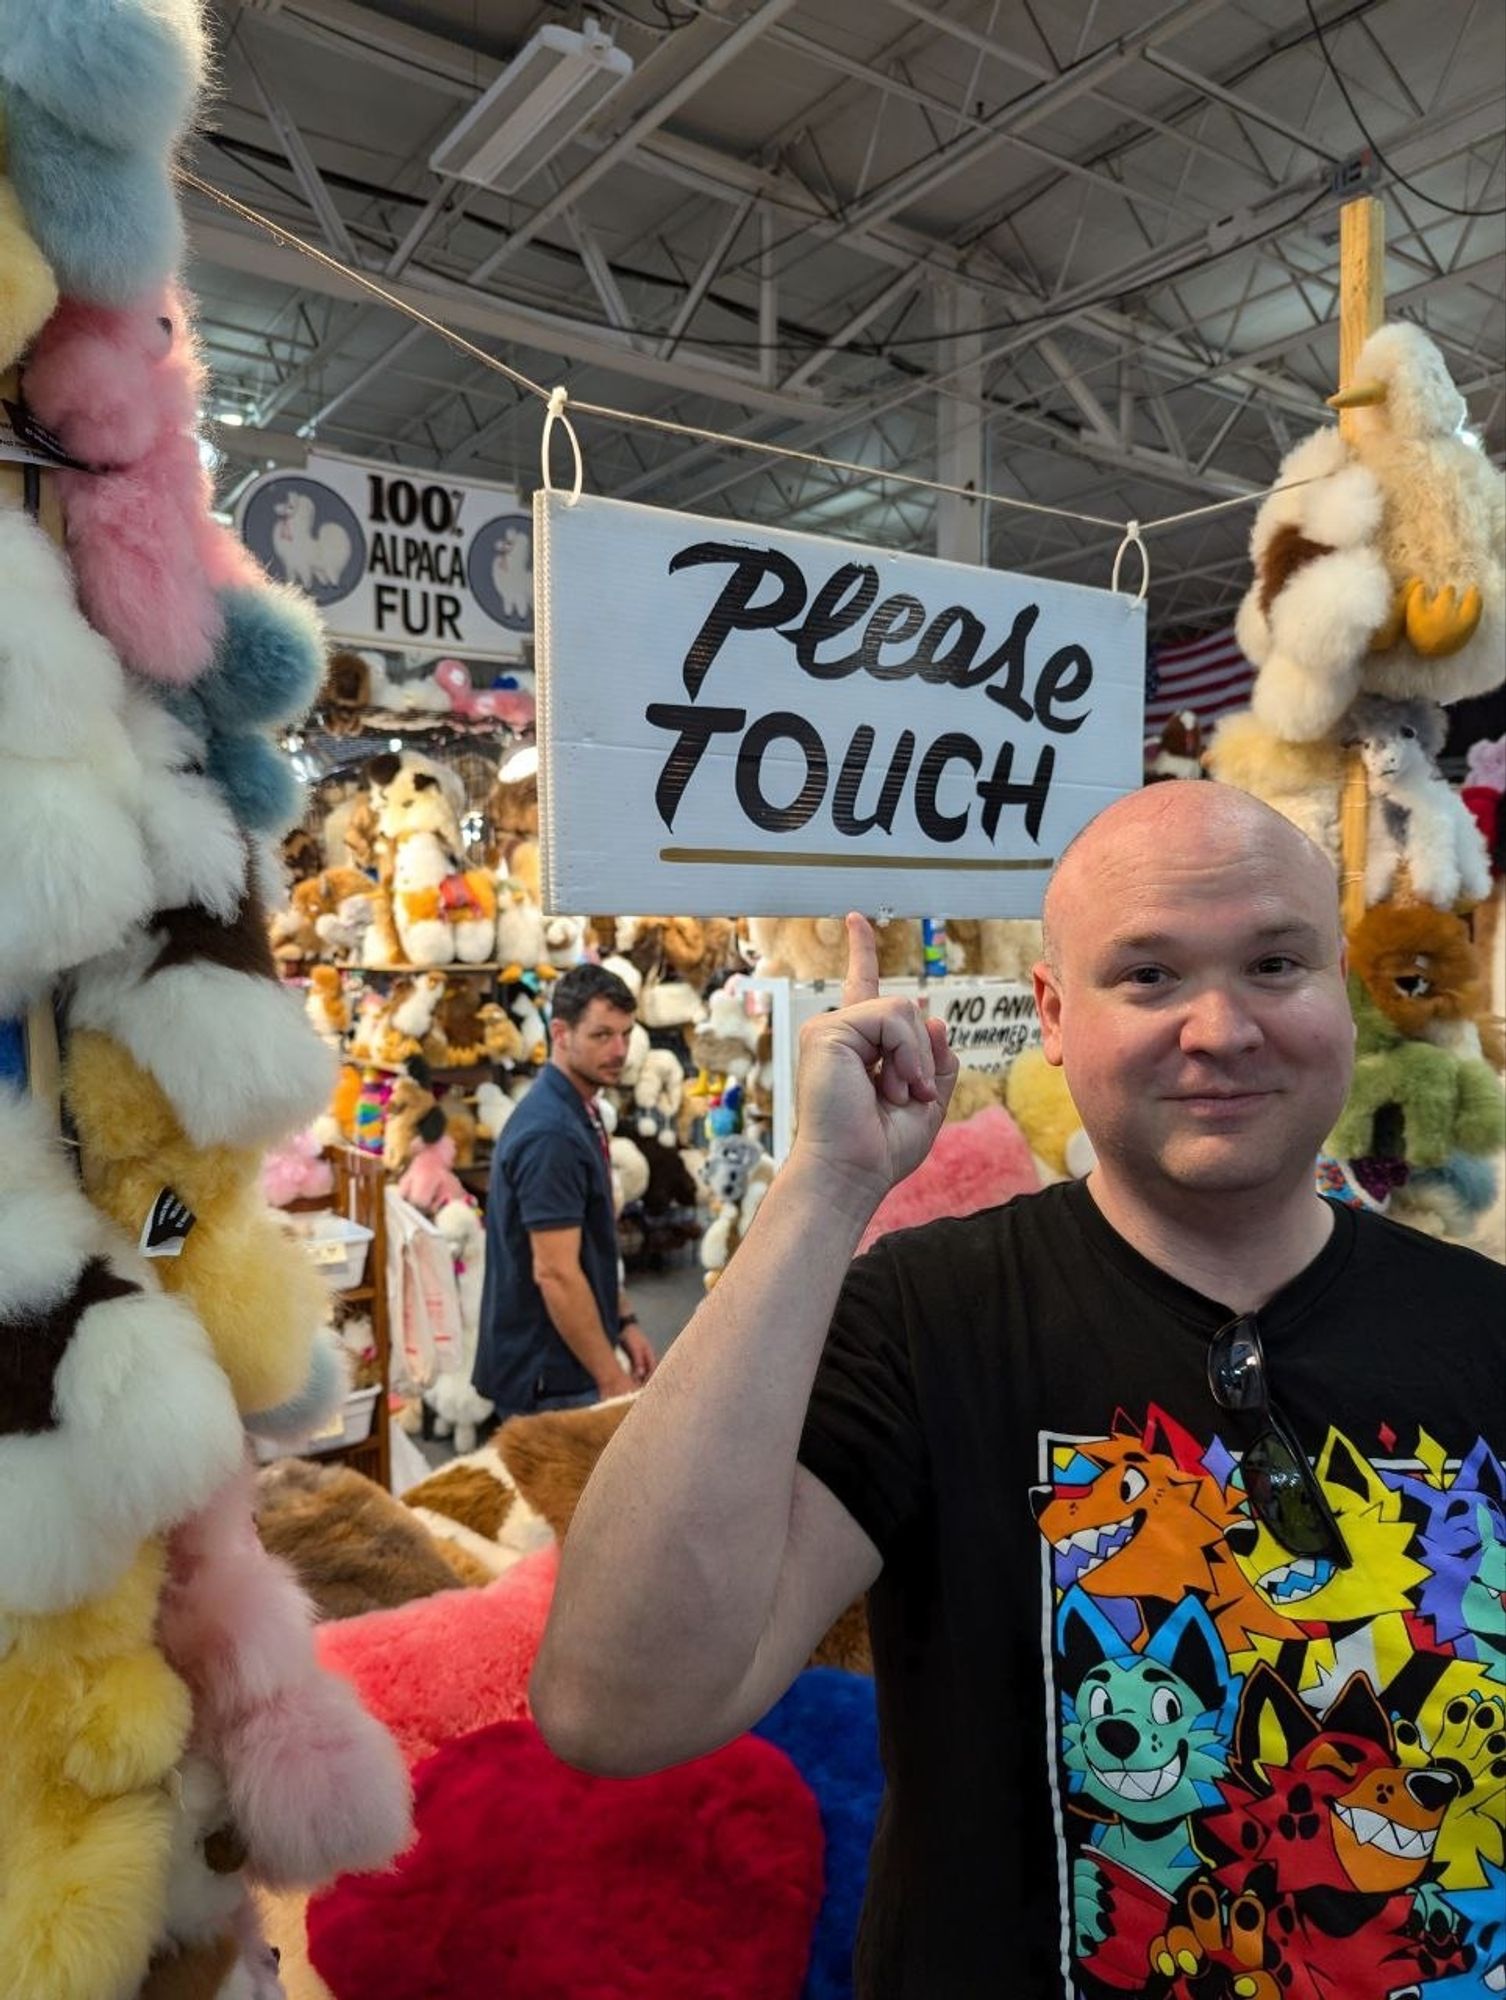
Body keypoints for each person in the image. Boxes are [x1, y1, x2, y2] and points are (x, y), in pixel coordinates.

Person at [532, 784, 1505, 1999]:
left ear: (1340, 991)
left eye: (1274, 961)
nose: (1220, 1025)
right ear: (1052, 1013)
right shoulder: (925, 1318)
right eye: (1147, 975)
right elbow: (615, 1702)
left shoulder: (1481, 1325)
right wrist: (825, 1188)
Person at [472, 962, 656, 1423]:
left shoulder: (579, 1109)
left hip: (562, 1363)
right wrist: (611, 1380)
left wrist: (625, 1321)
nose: (619, 1050)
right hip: (548, 1376)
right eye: (601, 1035)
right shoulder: (551, 1135)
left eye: (626, 1034)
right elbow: (555, 1273)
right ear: (561, 1032)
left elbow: (589, 1246)